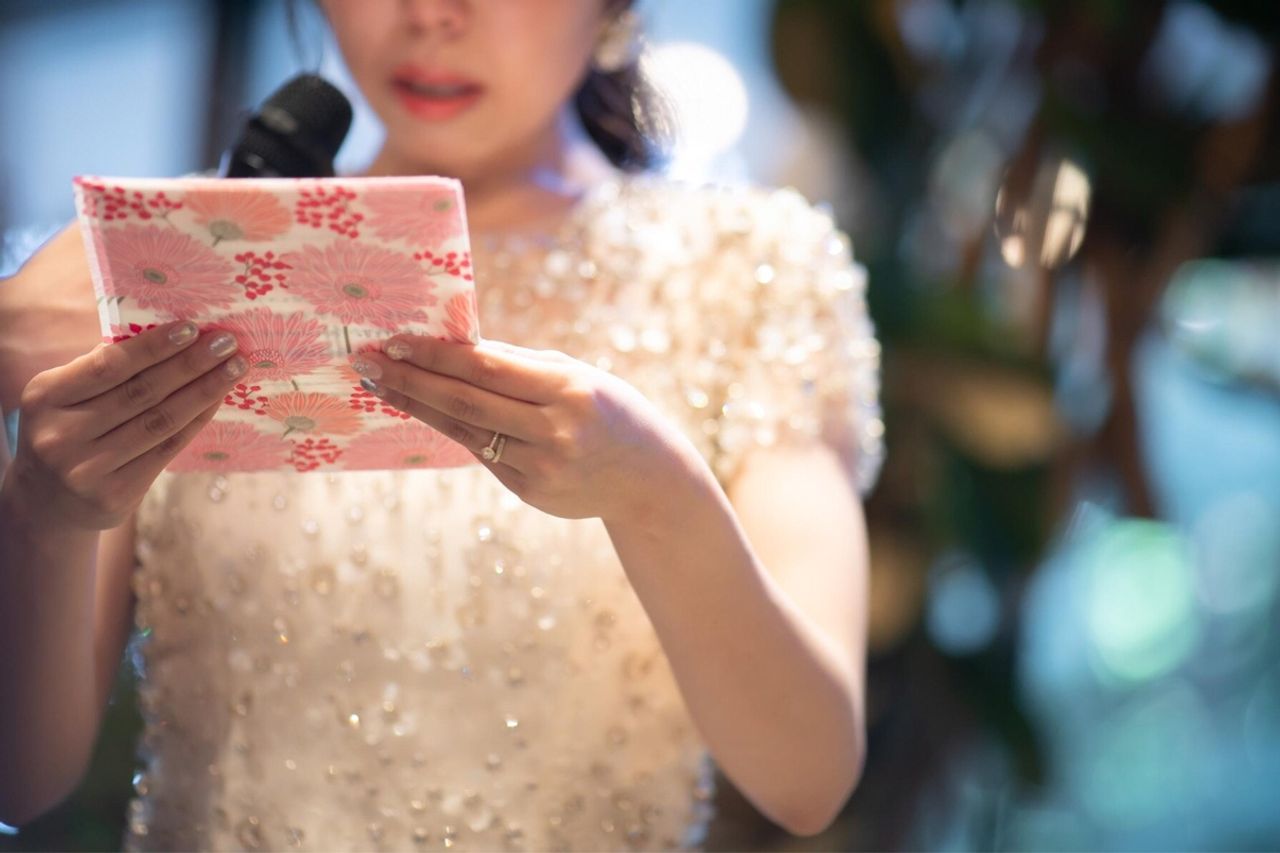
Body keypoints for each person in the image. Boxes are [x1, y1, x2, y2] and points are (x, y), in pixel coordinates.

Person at [0, 1, 884, 850]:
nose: (430, 13)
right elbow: (20, 777)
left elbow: (806, 777)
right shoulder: (191, 253)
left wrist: (655, 494)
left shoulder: (749, 272)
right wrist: (42, 512)